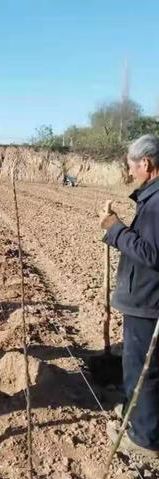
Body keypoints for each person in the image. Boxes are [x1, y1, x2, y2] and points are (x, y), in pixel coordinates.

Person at [101, 134, 159, 458]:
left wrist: (115, 229)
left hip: (148, 302)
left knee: (143, 369)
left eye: (130, 165)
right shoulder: (152, 198)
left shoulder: (157, 202)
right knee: (145, 368)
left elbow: (152, 254)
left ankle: (143, 438)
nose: (129, 171)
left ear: (145, 164)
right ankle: (142, 421)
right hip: (149, 300)